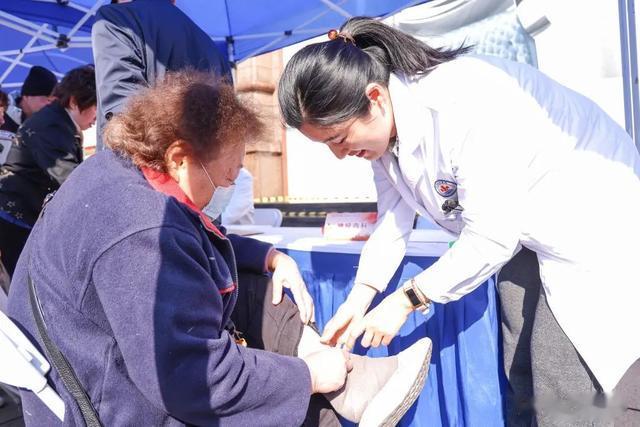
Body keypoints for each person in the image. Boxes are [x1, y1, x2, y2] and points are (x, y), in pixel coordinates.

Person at [7, 70, 432, 426]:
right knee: (291, 403)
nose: (226, 189)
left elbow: (193, 234)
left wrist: (268, 256)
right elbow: (194, 377)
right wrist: (307, 377)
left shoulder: (121, 169)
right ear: (179, 158)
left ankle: (347, 383)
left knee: (256, 286)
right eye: (226, 178)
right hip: (103, 399)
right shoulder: (140, 233)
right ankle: (338, 389)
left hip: (104, 355)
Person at [278, 17, 640, 425]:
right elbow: (394, 220)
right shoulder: (385, 136)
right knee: (521, 372)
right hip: (526, 234)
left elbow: (491, 237)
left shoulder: (464, 103)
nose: (339, 154)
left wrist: (407, 299)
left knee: (564, 381)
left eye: (339, 139)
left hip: (587, 226)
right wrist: (358, 298)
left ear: (375, 98)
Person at [92, 0, 232, 149]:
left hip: (142, 159)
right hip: (203, 161)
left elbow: (125, 116)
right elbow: (230, 131)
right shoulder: (213, 49)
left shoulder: (116, 19)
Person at [0, 65, 96, 278]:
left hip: (25, 216)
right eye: (95, 106)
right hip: (15, 218)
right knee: (23, 288)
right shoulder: (50, 125)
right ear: (74, 102)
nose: (97, 116)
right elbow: (69, 176)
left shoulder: (59, 121)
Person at [1, 65, 57, 134]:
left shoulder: (47, 126)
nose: (50, 104)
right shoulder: (2, 115)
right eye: (47, 99)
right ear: (27, 96)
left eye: (53, 101)